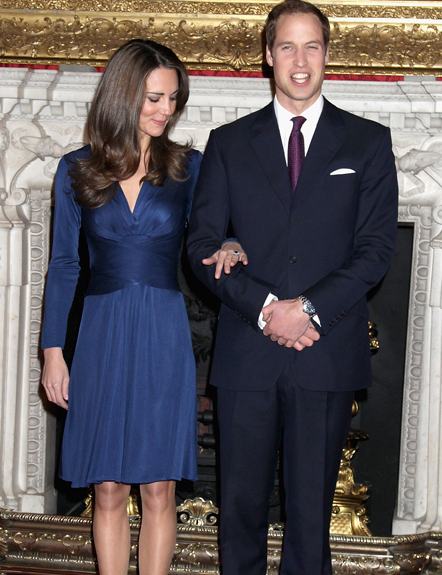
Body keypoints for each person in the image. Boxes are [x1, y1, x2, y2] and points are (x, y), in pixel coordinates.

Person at [186, 1, 399, 573]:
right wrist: (264, 309)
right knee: (241, 516)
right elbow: (202, 246)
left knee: (311, 523)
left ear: (327, 55)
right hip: (246, 356)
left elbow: (376, 249)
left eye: (312, 47)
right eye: (287, 46)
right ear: (267, 56)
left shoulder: (369, 143)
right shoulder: (228, 143)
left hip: (325, 352)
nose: (299, 61)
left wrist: (307, 309)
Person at [40, 39, 245, 575]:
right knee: (106, 486)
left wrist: (230, 242)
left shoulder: (188, 167)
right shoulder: (75, 170)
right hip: (101, 333)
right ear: (124, 94)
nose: (165, 110)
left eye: (173, 99)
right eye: (154, 97)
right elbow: (64, 266)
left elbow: (216, 235)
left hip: (162, 331)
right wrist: (53, 352)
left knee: (158, 486)